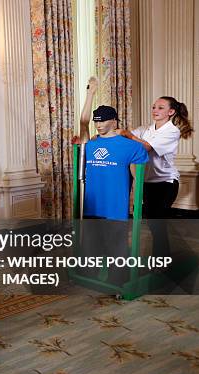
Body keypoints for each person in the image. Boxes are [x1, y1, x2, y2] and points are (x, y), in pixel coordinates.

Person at [78, 77, 148, 289]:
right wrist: (90, 93)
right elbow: (83, 121)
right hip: (92, 207)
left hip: (115, 208)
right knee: (91, 247)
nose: (98, 125)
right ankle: (89, 281)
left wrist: (138, 203)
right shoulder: (89, 145)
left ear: (114, 121)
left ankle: (119, 285)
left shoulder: (131, 147)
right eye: (96, 121)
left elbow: (138, 179)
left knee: (117, 249)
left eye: (103, 121)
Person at [117, 96, 193, 274]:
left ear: (171, 112)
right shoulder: (147, 129)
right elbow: (127, 140)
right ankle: (162, 259)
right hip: (148, 183)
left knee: (157, 224)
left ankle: (162, 264)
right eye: (153, 107)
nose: (155, 110)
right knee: (152, 223)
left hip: (166, 183)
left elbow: (145, 147)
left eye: (160, 107)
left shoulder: (172, 131)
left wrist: (128, 134)